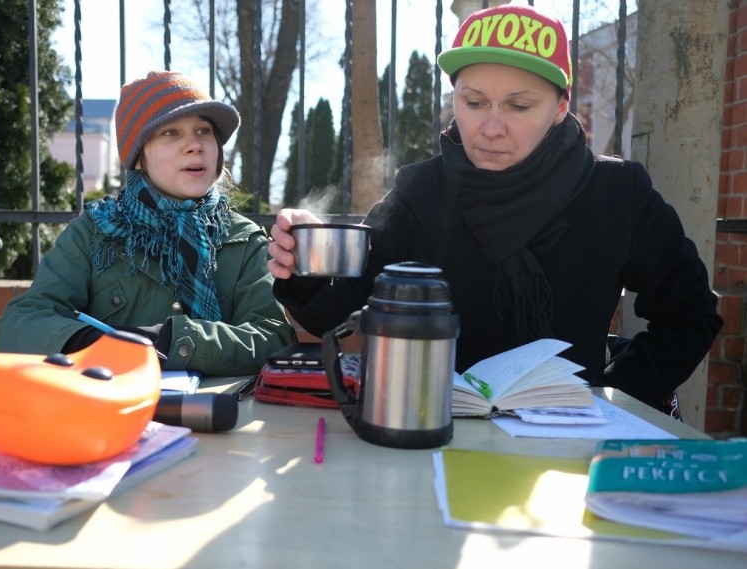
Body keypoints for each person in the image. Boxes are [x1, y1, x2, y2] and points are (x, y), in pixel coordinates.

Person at [267, 4, 723, 410]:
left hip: (572, 444)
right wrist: (303, 268)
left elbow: (690, 313)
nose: (490, 127)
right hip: (436, 429)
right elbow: (343, 310)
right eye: (473, 102)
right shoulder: (420, 191)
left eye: (518, 106)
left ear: (561, 106)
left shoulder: (617, 192)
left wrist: (612, 396)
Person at [0, 70, 296, 376]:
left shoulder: (244, 240)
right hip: (106, 409)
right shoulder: (91, 232)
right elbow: (21, 323)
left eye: (204, 131)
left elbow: (273, 338)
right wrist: (90, 343)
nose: (195, 144)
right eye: (171, 132)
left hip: (217, 413)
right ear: (139, 157)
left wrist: (173, 341)